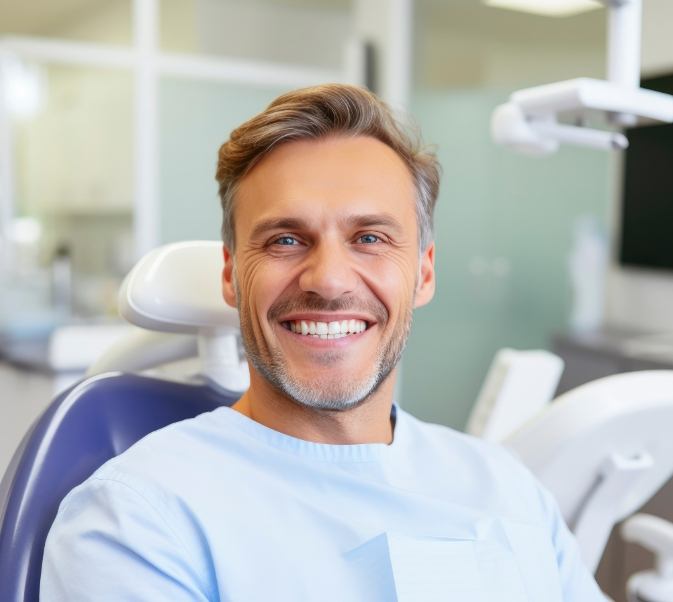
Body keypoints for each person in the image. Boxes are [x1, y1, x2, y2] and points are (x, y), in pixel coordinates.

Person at [41, 84, 605, 601]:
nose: (329, 279)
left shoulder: (508, 489)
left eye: (369, 238)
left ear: (424, 274)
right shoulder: (139, 518)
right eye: (286, 239)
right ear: (232, 275)